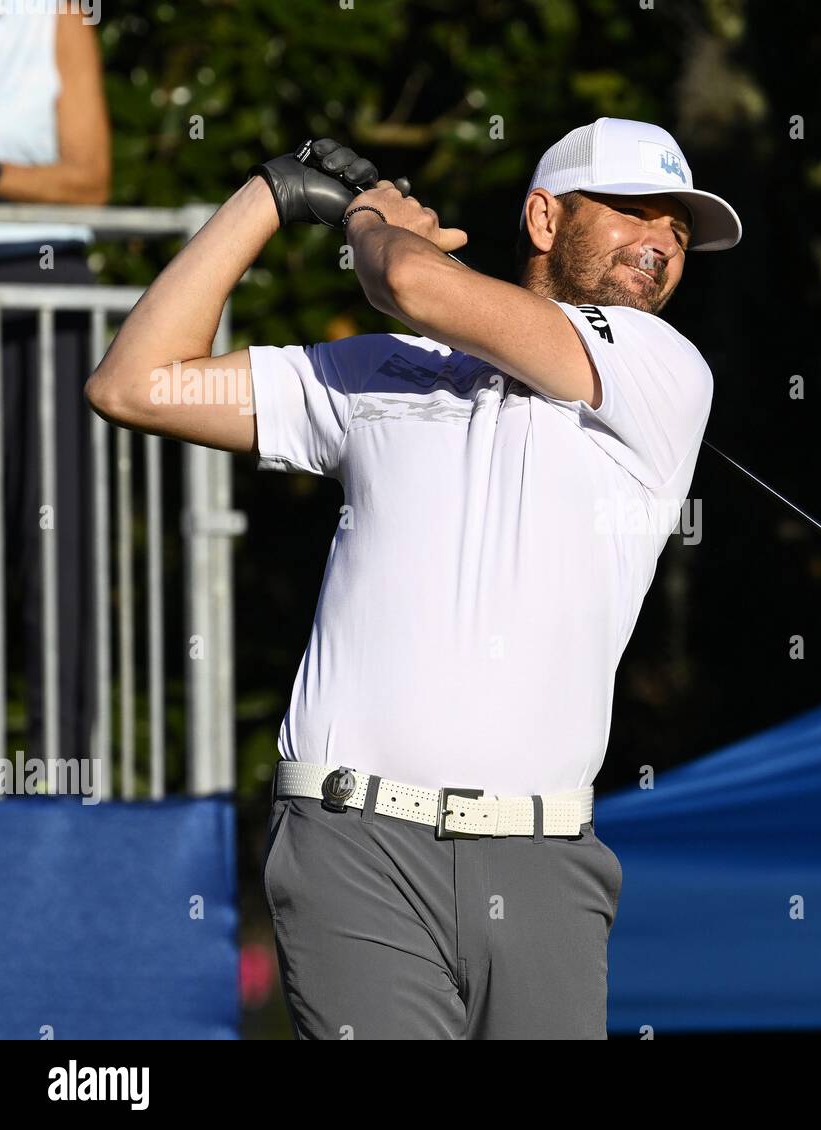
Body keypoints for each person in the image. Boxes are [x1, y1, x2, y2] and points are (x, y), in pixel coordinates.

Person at [84, 118, 741, 1039]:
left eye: (678, 229)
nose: (662, 243)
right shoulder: (380, 372)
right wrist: (266, 198)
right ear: (546, 219)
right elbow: (135, 383)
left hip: (545, 860)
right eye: (635, 211)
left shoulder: (661, 364)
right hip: (352, 845)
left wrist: (368, 220)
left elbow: (408, 279)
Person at [0, 8, 111, 767]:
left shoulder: (56, 12)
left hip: (39, 290)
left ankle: (63, 780)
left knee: (55, 540)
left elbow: (90, 179)